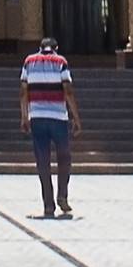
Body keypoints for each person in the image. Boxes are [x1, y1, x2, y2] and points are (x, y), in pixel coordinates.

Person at [20, 35, 82, 219]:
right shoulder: (60, 61)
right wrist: (76, 117)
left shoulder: (29, 62)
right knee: (64, 157)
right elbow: (68, 90)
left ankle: (48, 205)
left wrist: (24, 116)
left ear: (40, 48)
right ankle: (62, 194)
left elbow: (23, 90)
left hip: (37, 117)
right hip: (58, 117)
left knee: (43, 162)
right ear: (56, 48)